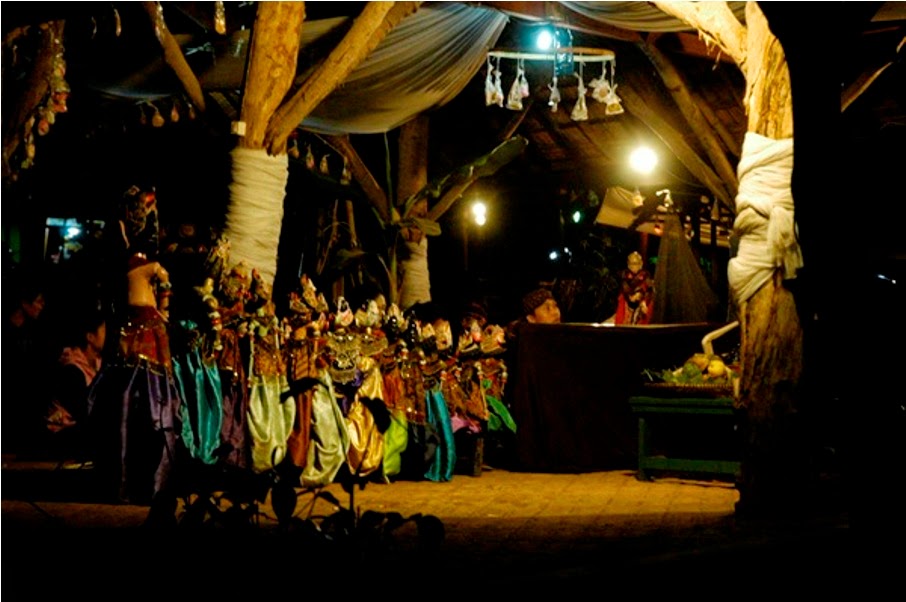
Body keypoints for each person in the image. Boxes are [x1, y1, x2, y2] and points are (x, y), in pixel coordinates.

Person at [43, 305, 107, 462]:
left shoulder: (95, 365)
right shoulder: (72, 370)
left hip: (77, 430)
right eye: (103, 330)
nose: (106, 335)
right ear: (90, 337)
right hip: (61, 436)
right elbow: (83, 412)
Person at [615, 251, 654, 325]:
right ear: (628, 265)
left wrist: (642, 299)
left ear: (641, 264)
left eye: (636, 264)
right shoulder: (625, 274)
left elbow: (649, 290)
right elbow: (625, 287)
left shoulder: (645, 275)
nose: (633, 266)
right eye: (631, 264)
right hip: (628, 299)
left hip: (641, 301)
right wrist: (632, 295)